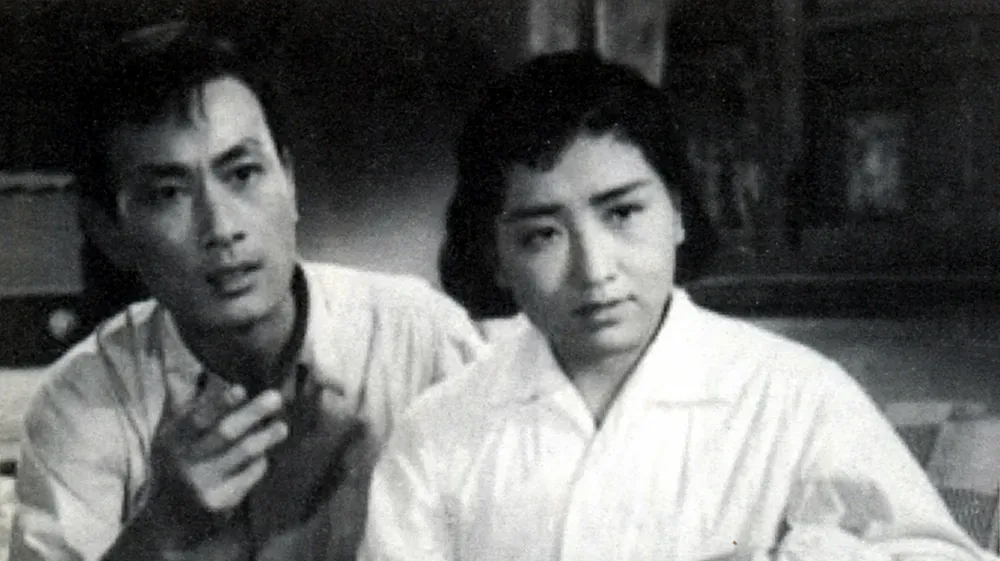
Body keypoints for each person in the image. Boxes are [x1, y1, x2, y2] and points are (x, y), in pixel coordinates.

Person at [359, 52, 989, 561]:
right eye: (542, 235)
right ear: (496, 257)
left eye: (622, 213)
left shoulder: (795, 397)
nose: (594, 270)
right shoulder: (440, 431)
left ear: (678, 213)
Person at [9, 21, 484, 561]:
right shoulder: (82, 401)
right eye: (168, 193)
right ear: (109, 232)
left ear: (290, 181)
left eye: (241, 174)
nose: (221, 227)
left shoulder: (424, 340)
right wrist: (161, 531)